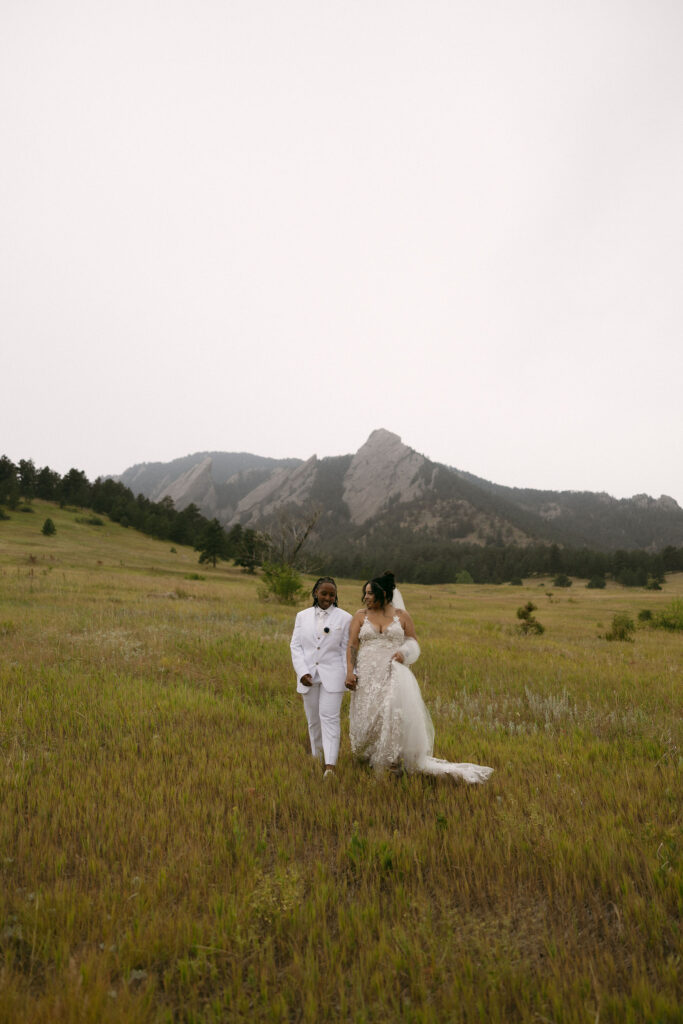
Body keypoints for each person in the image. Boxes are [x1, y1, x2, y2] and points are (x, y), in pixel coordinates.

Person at [345, 572, 493, 783]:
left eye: (370, 593)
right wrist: (350, 671)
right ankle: (372, 754)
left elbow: (413, 642)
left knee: (391, 713)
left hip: (392, 673)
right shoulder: (360, 616)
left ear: (384, 594)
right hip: (368, 674)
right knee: (370, 714)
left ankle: (392, 761)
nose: (366, 597)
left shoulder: (402, 616)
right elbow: (352, 645)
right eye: (365, 593)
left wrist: (403, 653)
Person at [290, 577, 352, 779]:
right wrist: (302, 672)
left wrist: (351, 674)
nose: (327, 597)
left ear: (336, 596)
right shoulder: (302, 616)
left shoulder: (345, 618)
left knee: (330, 719)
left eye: (331, 594)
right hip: (308, 676)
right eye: (324, 593)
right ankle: (316, 757)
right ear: (315, 592)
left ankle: (330, 766)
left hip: (333, 676)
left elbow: (346, 650)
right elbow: (296, 646)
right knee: (313, 721)